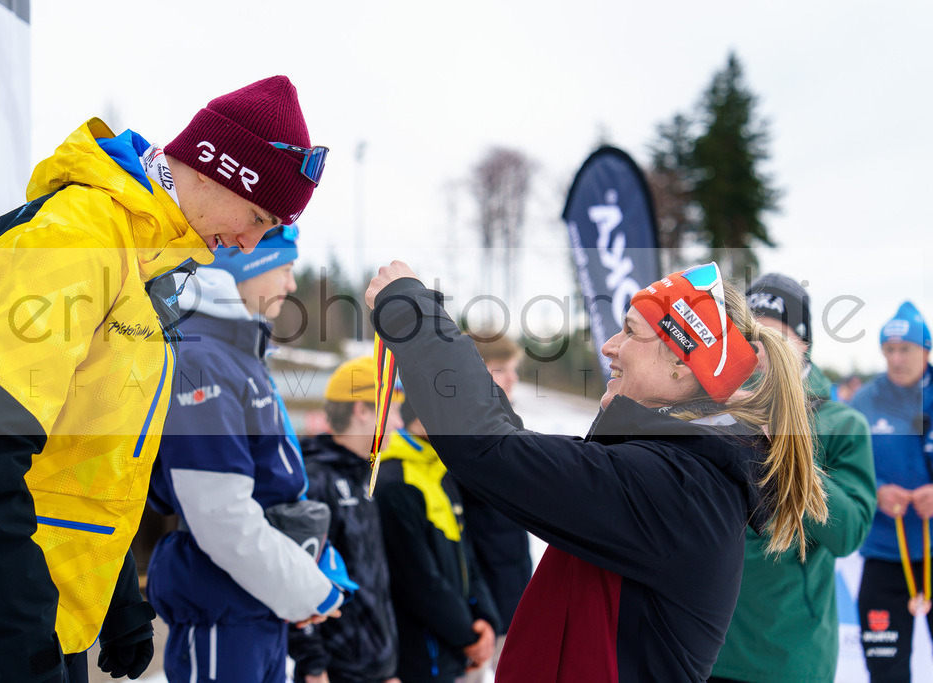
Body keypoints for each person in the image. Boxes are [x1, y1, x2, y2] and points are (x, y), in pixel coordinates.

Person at [0, 75, 323, 682]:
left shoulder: (146, 258)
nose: (251, 242)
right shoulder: (78, 240)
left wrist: (117, 592)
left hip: (49, 603)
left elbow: (92, 457)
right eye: (258, 216)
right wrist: (21, 635)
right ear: (213, 169)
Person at [363, 260, 828, 682]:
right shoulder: (679, 474)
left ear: (680, 369)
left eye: (629, 331)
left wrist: (413, 316)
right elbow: (506, 442)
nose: (609, 346)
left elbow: (490, 449)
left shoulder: (677, 487)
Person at [146, 229, 356, 683]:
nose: (293, 284)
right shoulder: (202, 357)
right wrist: (305, 589)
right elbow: (220, 516)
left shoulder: (237, 352)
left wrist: (309, 556)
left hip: (253, 604)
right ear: (248, 266)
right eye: (284, 268)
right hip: (224, 606)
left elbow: (272, 482)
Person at [709, 273, 876, 683]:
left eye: (775, 334)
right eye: (751, 333)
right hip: (702, 645)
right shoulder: (714, 408)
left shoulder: (843, 424)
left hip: (788, 654)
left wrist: (786, 448)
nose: (761, 348)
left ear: (803, 344)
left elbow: (849, 532)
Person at [289, 355, 403, 683]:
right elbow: (298, 579)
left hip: (373, 670)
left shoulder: (362, 478)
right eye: (391, 410)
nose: (397, 422)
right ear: (362, 410)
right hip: (334, 673)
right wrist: (313, 667)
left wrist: (385, 669)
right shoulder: (315, 479)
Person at [374, 392, 501, 683]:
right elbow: (417, 579)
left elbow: (467, 558)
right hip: (420, 654)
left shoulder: (441, 472)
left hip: (453, 649)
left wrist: (486, 620)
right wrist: (467, 636)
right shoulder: (395, 481)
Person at [850, 301, 933, 681]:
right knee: (885, 670)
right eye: (890, 350)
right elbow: (841, 469)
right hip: (884, 557)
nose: (897, 359)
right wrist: (878, 491)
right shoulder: (863, 402)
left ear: (926, 350)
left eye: (906, 349)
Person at [455, 333, 531, 682]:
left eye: (513, 369)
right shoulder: (458, 428)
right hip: (475, 598)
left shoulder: (509, 423)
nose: (512, 378)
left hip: (511, 588)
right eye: (501, 369)